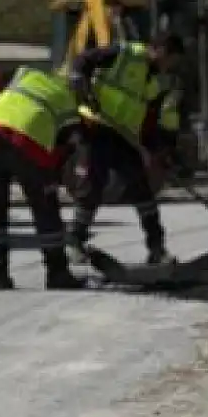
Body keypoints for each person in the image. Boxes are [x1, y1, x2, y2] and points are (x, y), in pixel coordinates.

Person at [66, 32, 186, 267]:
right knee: (92, 187)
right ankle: (75, 244)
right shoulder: (124, 53)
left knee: (142, 190)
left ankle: (157, 249)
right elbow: (82, 60)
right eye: (170, 60)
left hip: (125, 137)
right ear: (160, 51)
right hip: (97, 127)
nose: (169, 66)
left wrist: (159, 151)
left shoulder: (154, 80)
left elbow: (149, 118)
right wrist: (80, 82)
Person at [0, 66, 88, 290]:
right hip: (27, 144)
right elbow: (65, 148)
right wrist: (53, 179)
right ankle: (57, 273)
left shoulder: (27, 75)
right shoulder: (68, 104)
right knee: (46, 208)